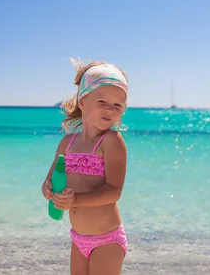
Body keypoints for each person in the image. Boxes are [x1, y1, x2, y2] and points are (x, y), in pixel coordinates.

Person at [42, 58, 129, 275]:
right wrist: (48, 189)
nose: (110, 109)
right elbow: (52, 178)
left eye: (117, 105)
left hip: (106, 240)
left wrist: (76, 200)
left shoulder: (111, 141)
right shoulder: (67, 143)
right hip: (78, 237)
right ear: (83, 101)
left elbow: (114, 191)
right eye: (102, 102)